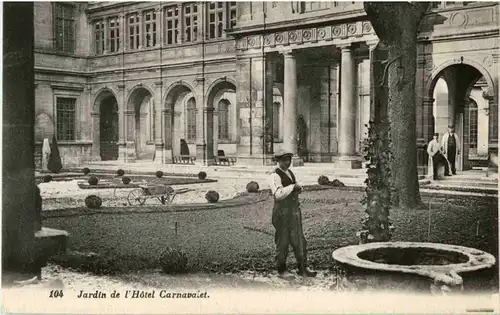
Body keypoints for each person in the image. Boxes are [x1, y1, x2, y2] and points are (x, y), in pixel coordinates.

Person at [267, 149, 317, 280]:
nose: (288, 162)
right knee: (283, 241)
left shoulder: (289, 172)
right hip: (282, 213)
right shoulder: (274, 175)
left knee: (299, 240)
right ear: (278, 161)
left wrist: (298, 188)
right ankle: (282, 270)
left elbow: (292, 187)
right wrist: (292, 187)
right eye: (284, 160)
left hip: (293, 211)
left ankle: (302, 268)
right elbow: (278, 194)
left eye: (289, 160)